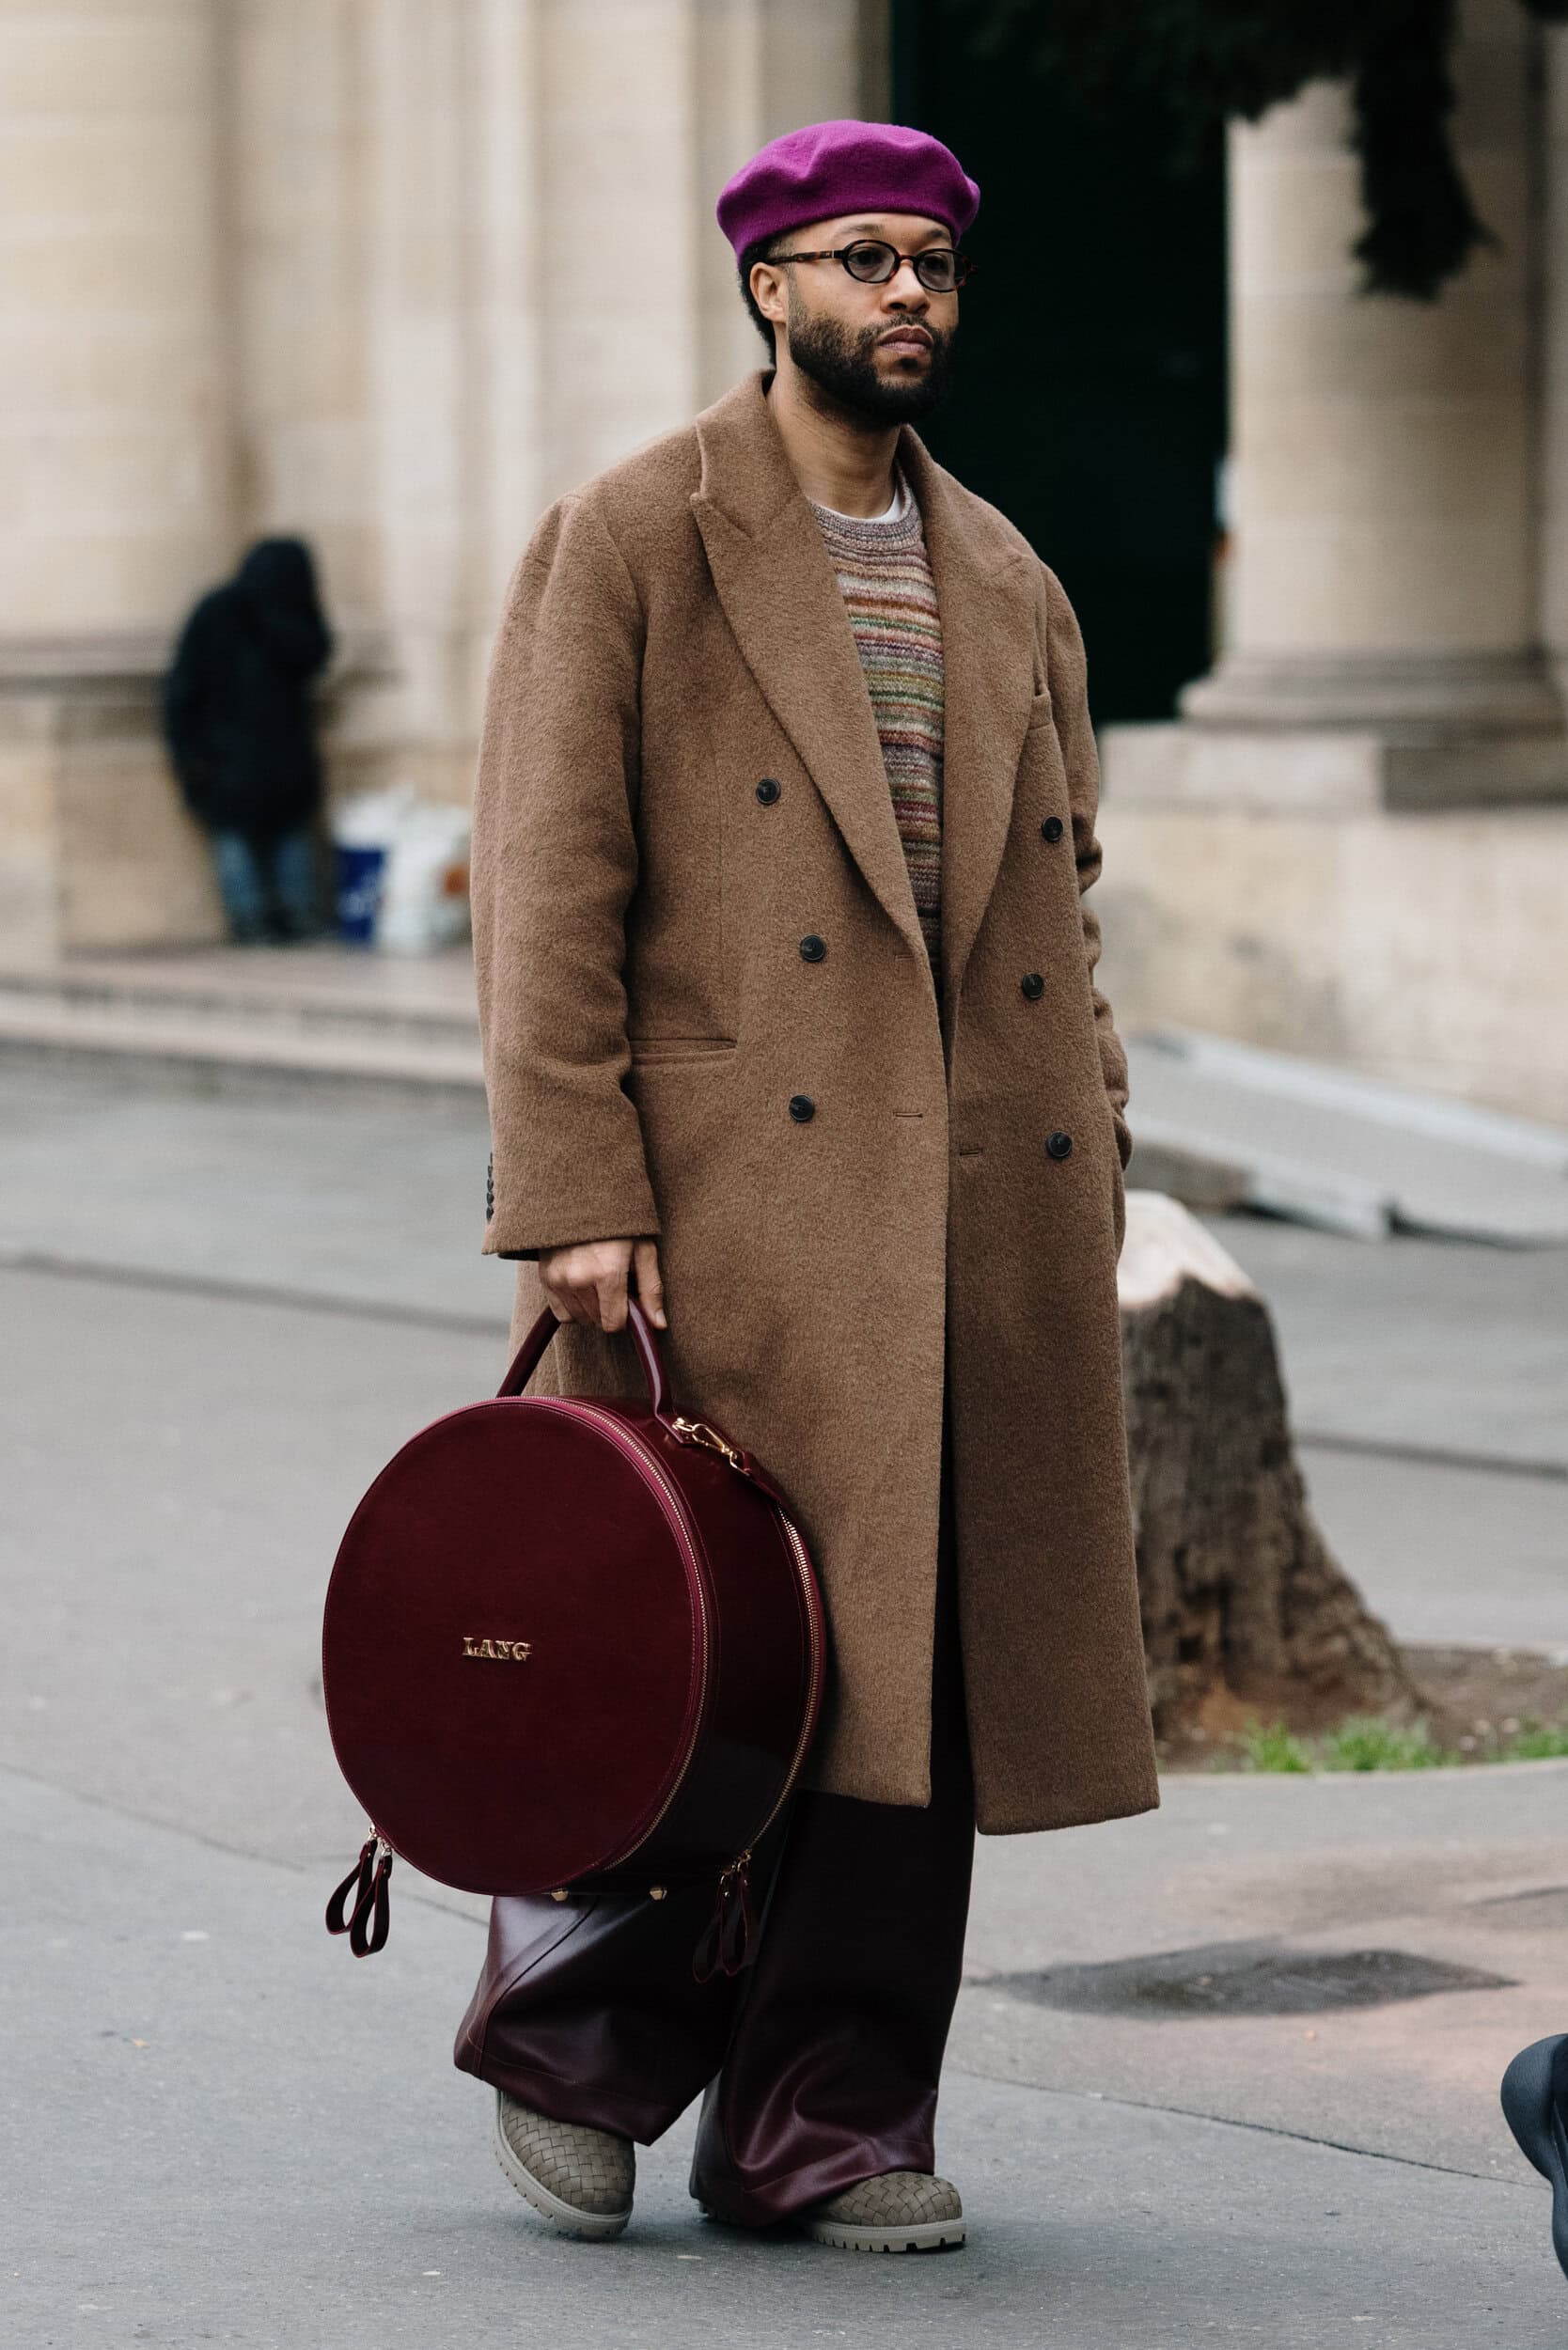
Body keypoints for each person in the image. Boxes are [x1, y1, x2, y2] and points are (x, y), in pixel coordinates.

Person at [458, 118, 1158, 2254]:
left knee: (920, 1691)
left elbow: (1071, 896)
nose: (906, 300)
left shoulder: (1010, 573)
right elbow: (550, 881)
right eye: (862, 263)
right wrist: (573, 1179)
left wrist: (1097, 1133)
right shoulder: (635, 536)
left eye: (933, 266)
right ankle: (581, 2029)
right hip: (732, 1206)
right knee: (719, 1648)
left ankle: (822, 2123)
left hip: (976, 1213)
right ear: (769, 287)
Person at [162, 536, 332, 943]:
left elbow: (316, 653)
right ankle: (257, 916)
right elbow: (184, 688)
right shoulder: (223, 612)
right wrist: (190, 753)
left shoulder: (283, 614)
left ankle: (285, 914)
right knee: (239, 836)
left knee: (280, 833)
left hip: (264, 756)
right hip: (231, 756)